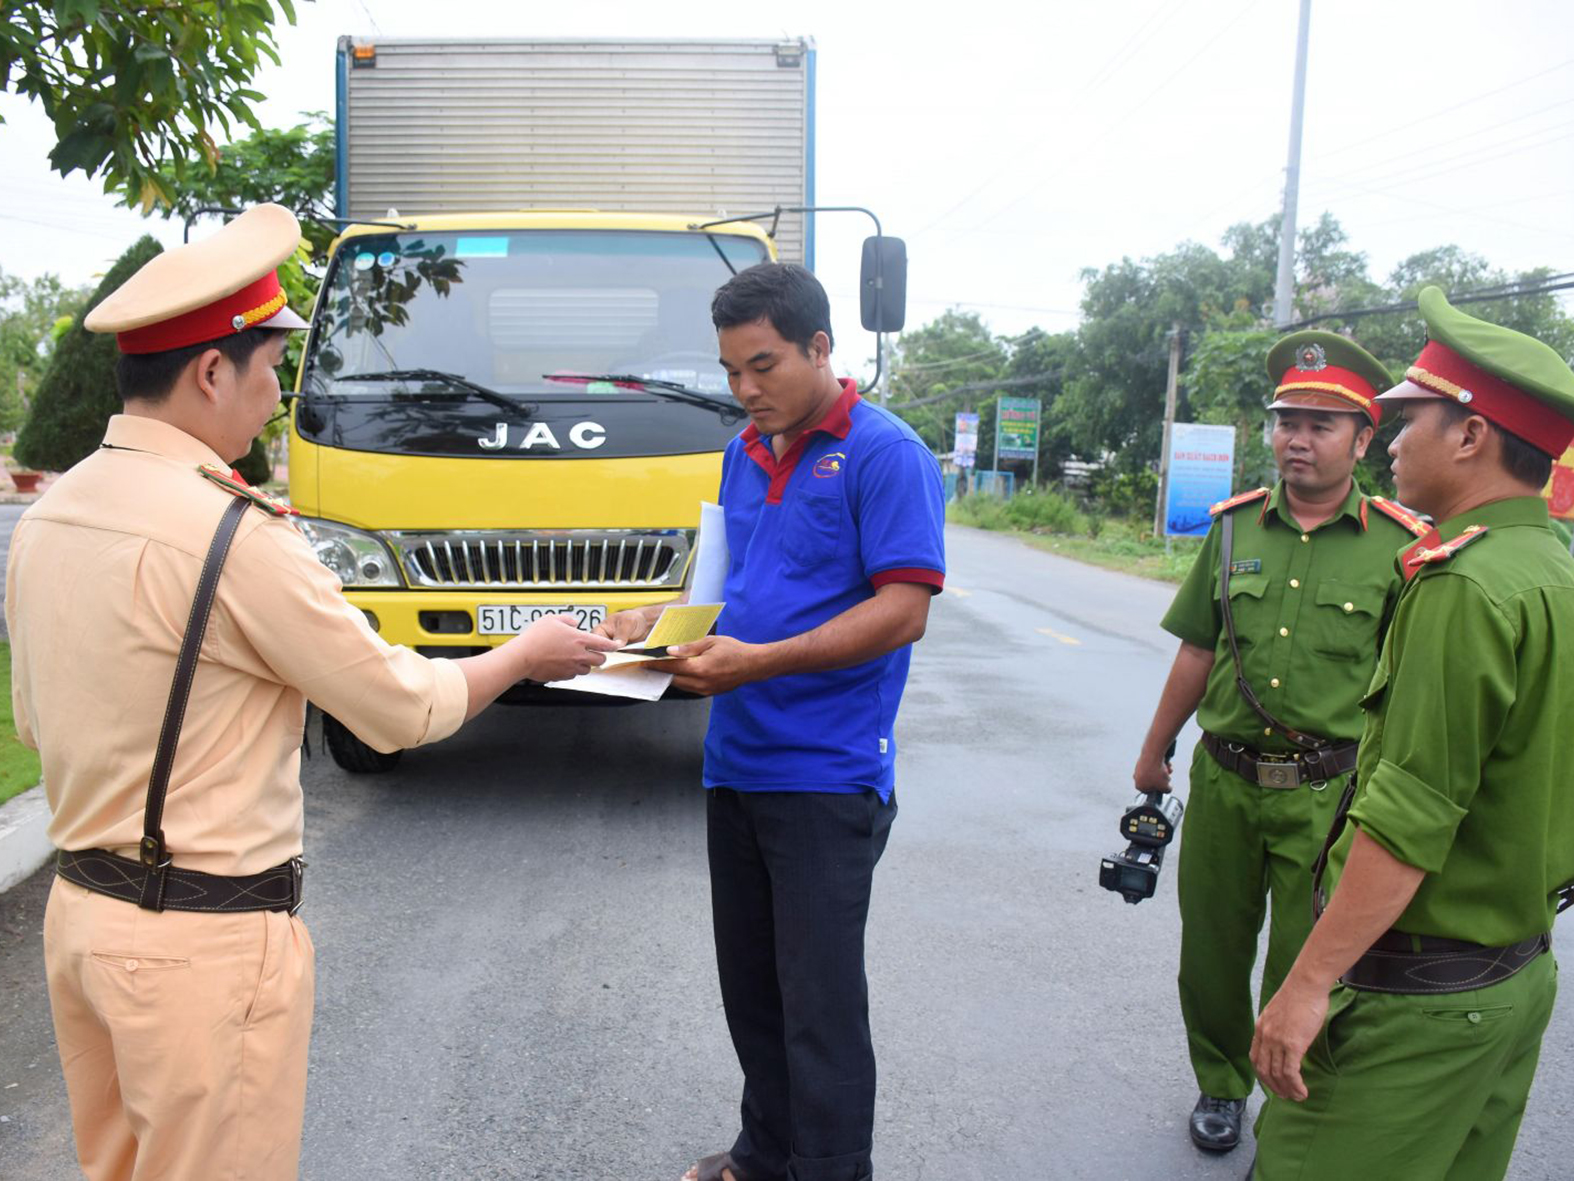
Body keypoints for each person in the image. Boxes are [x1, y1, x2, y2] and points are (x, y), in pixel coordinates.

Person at [5, 204, 617, 1181]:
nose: (276, 395)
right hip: (197, 948)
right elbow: (400, 706)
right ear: (211, 371)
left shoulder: (56, 512)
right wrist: (518, 653)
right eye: (269, 370)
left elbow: (38, 723)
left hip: (81, 921)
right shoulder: (232, 536)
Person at [596, 263, 945, 1181]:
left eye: (763, 366)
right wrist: (651, 621)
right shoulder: (742, 451)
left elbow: (903, 609)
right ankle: (766, 1153)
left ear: (821, 348)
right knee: (752, 989)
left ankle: (829, 1169)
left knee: (819, 1003)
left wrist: (759, 662)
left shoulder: (885, 453)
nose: (745, 390)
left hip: (827, 775)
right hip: (736, 762)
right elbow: (724, 586)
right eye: (730, 371)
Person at [1251, 288, 1574, 1179]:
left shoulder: (1463, 585)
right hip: (1516, 977)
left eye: (1407, 420)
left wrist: (1306, 984)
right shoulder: (1553, 564)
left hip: (1418, 1005)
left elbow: (1407, 818)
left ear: (1470, 435)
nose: (1388, 442)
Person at [1132, 330, 1429, 1153]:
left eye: (1320, 425)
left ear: (1365, 439)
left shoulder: (1402, 548)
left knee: (1307, 956)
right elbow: (1197, 647)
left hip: (1329, 793)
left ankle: (1290, 1091)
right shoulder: (1231, 532)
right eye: (1286, 420)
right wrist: (1154, 748)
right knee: (1214, 951)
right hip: (1224, 780)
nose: (1296, 438)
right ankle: (1221, 1083)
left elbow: (1406, 685)